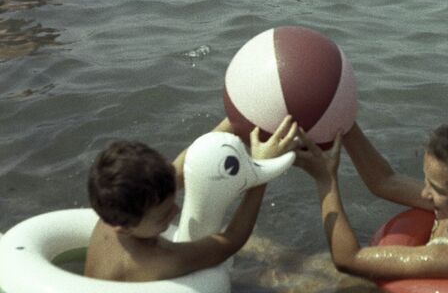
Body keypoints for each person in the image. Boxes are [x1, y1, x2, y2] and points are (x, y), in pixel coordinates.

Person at [295, 117, 448, 281]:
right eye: (426, 181)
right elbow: (384, 181)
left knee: (284, 271)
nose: (423, 193)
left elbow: (348, 259)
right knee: (287, 259)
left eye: (436, 188)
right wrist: (344, 122)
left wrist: (326, 180)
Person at [85, 116, 297, 282]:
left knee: (260, 246)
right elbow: (231, 241)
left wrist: (234, 120)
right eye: (163, 216)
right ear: (123, 229)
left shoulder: (116, 210)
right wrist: (259, 173)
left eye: (171, 204)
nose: (176, 211)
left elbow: (182, 169)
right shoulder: (158, 260)